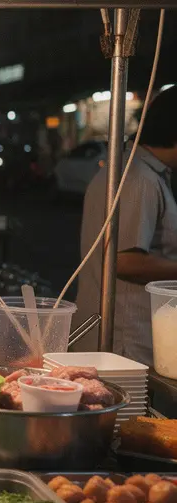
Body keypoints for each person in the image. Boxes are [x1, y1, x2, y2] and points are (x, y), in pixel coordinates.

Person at [75, 87, 177, 364]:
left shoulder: (138, 172)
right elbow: (124, 261)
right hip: (125, 341)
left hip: (122, 337)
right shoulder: (139, 179)